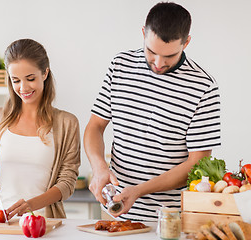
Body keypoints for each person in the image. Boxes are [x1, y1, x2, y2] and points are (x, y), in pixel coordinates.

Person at [84, 2, 221, 222]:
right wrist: (99, 167)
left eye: (169, 56)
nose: (158, 63)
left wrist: (139, 190)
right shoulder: (120, 65)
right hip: (117, 213)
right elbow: (95, 127)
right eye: (151, 51)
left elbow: (197, 163)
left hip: (170, 219)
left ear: (186, 42)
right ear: (143, 34)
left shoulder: (203, 86)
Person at [0, 39, 81, 219]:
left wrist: (31, 205)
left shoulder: (67, 123)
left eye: (30, 78)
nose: (23, 88)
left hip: (45, 224)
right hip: (0, 224)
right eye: (16, 80)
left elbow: (67, 182)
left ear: (45, 73)